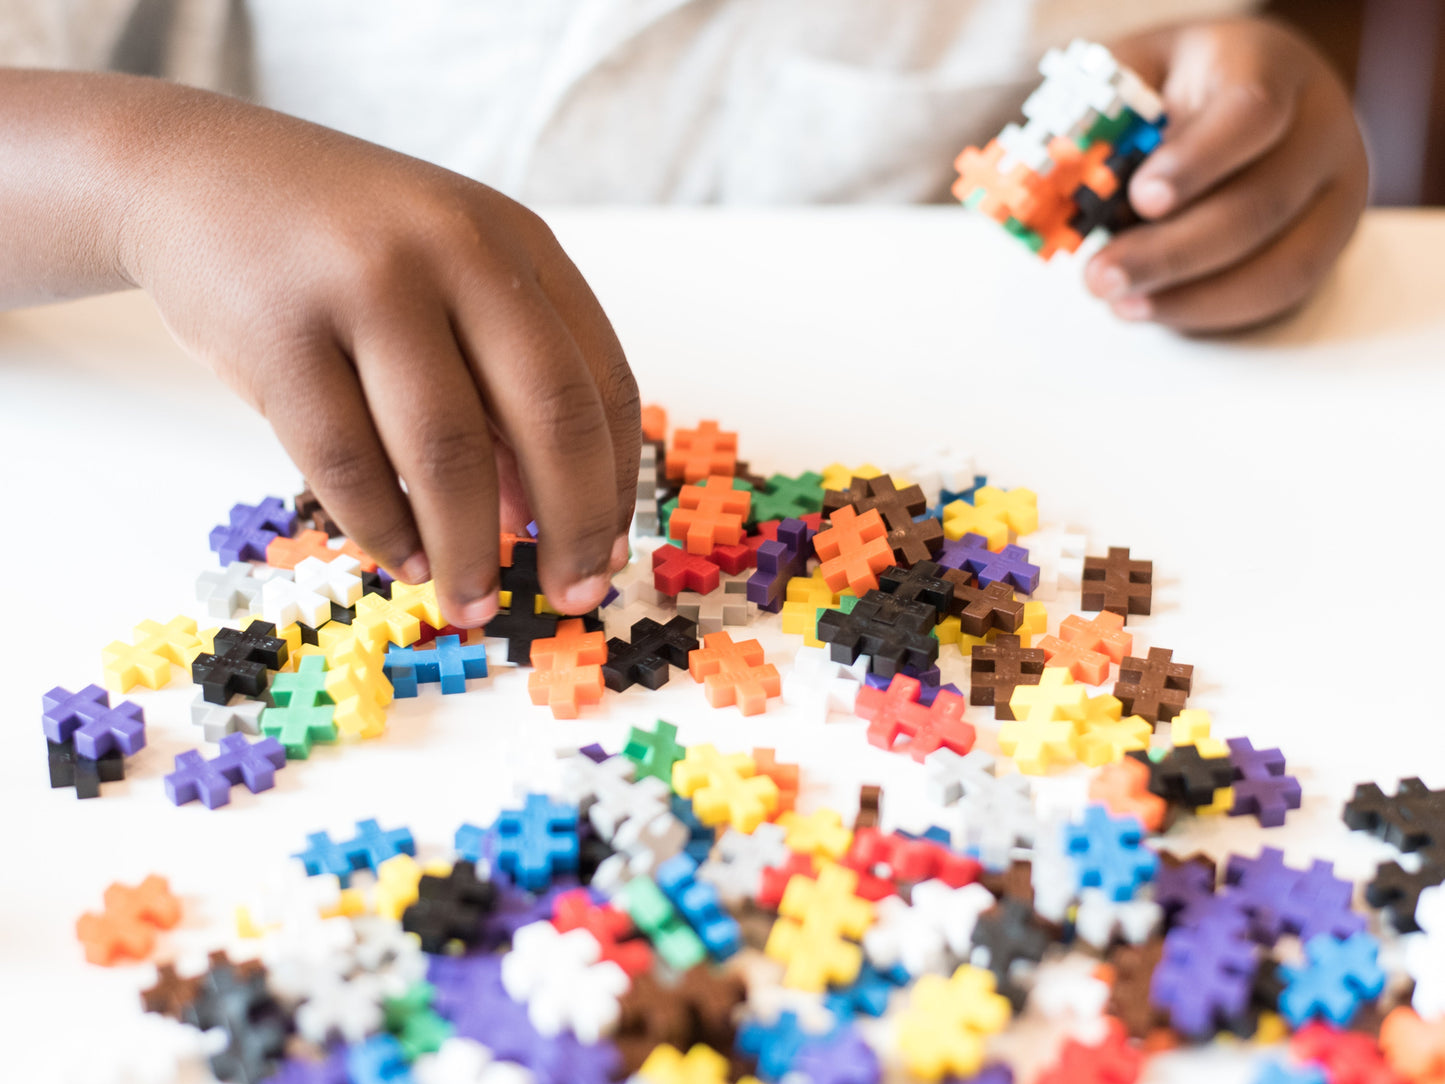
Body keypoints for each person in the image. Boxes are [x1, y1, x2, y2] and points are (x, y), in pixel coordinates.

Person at [0, 1, 1370, 629]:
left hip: (965, 425)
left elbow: (1150, 57)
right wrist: (138, 174)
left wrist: (1237, 96)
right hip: (140, 468)